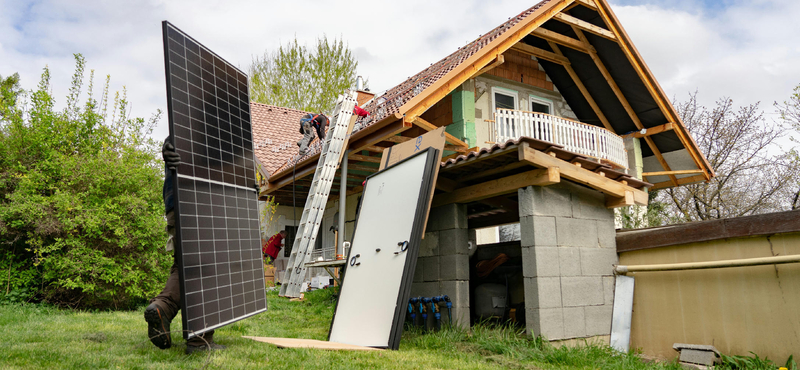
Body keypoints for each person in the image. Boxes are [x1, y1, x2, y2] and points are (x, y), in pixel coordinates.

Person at [144, 138, 226, 355]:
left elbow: (173, 144)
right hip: (199, 204)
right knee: (207, 270)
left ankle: (162, 308)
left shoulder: (186, 125)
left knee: (184, 266)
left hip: (175, 205)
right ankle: (200, 340)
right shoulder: (206, 127)